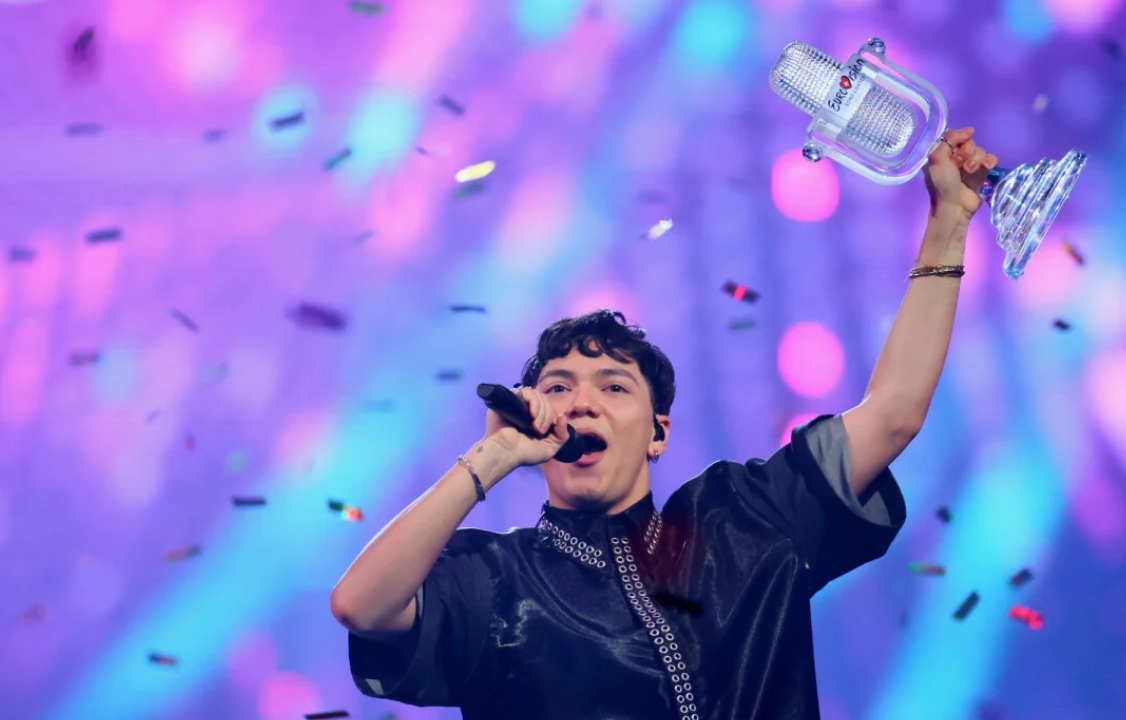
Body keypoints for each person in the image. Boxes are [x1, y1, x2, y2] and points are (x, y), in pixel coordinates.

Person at [330, 128, 998, 720]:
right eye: (558, 388)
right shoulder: (494, 577)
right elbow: (361, 605)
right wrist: (491, 457)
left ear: (658, 432)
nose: (581, 403)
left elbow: (893, 414)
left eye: (613, 386)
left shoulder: (744, 517)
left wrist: (948, 220)